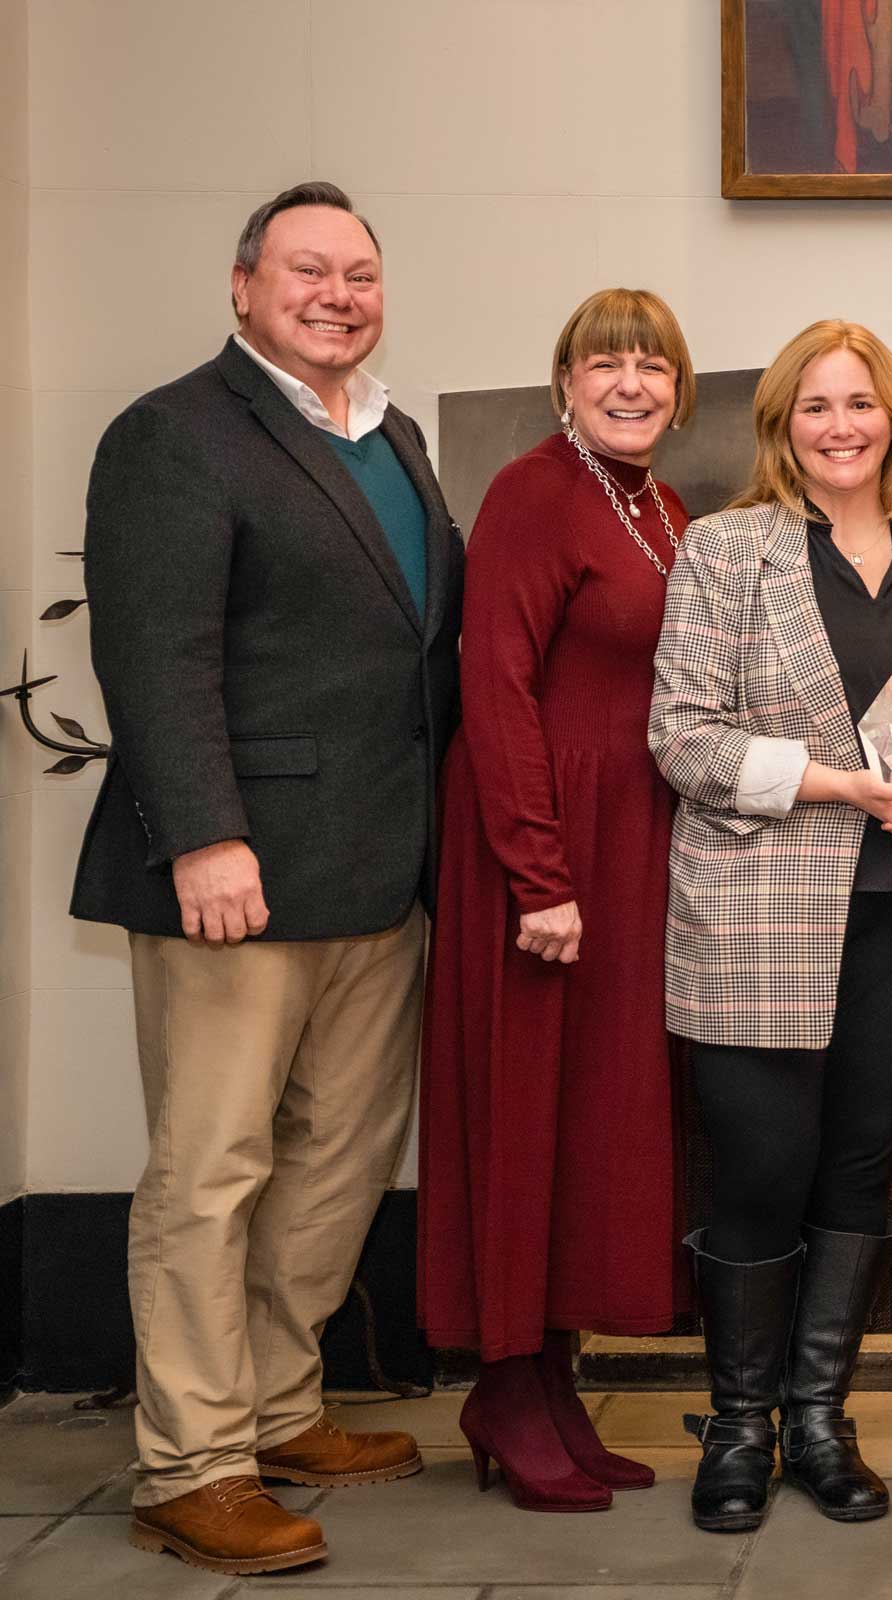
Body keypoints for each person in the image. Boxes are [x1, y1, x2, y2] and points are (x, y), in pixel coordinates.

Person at [71, 181, 462, 1576]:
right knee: (211, 1171)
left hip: (379, 875)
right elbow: (157, 656)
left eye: (360, 273)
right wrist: (203, 836)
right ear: (243, 286)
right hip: (237, 874)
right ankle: (190, 1464)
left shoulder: (394, 437)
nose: (338, 294)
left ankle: (281, 1405)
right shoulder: (174, 435)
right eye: (308, 270)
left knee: (338, 1164)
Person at [649, 320, 892, 1534]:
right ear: (781, 426)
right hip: (757, 911)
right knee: (759, 1170)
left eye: (862, 405)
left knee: (860, 1169)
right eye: (816, 408)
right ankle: (740, 1429)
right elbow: (683, 736)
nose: (841, 426)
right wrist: (842, 784)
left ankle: (818, 1418)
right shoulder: (725, 550)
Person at [416, 290, 698, 1512]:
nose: (631, 383)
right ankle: (502, 1382)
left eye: (654, 367)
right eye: (606, 364)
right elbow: (500, 690)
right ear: (564, 382)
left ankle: (556, 1380)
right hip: (544, 846)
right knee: (524, 1105)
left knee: (597, 1113)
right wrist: (540, 872)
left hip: (632, 842)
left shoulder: (661, 505)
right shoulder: (534, 492)